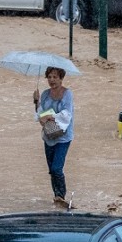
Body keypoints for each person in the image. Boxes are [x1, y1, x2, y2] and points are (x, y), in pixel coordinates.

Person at [36, 66, 74, 209]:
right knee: (52, 169)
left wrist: (51, 116)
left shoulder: (67, 94)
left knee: (57, 168)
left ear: (61, 78)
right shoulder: (45, 94)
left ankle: (61, 196)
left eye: (55, 77)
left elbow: (67, 115)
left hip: (64, 137)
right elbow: (39, 113)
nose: (52, 80)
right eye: (49, 77)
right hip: (48, 136)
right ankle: (56, 196)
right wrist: (36, 102)